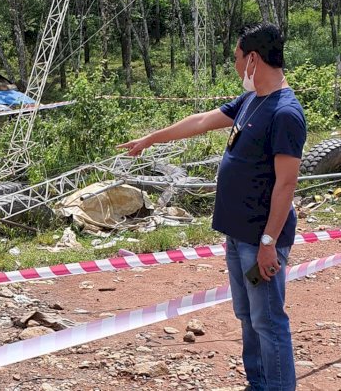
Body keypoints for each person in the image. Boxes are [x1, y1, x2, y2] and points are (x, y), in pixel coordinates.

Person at [118, 23, 305, 391]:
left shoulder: (285, 113)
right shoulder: (254, 100)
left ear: (253, 59)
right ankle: (259, 383)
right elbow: (203, 121)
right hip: (239, 237)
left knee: (268, 320)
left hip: (260, 241)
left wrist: (269, 243)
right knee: (248, 316)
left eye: (237, 59)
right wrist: (151, 139)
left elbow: (286, 184)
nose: (235, 67)